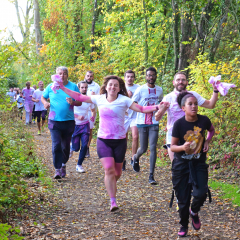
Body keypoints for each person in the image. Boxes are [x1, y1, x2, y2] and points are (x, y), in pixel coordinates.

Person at [57, 75, 169, 211]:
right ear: (106, 86)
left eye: (116, 85)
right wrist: (62, 87)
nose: (113, 87)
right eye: (110, 84)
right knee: (109, 169)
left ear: (119, 88)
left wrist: (158, 106)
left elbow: (142, 109)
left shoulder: (125, 100)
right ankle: (113, 201)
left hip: (120, 141)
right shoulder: (99, 99)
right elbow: (79, 97)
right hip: (103, 140)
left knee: (117, 173)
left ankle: (110, 184)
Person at [170, 92, 215, 237]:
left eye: (195, 103)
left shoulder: (204, 120)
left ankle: (194, 211)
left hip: (198, 163)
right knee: (182, 199)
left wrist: (207, 141)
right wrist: (183, 148)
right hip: (181, 165)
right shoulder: (179, 124)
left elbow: (211, 130)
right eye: (190, 104)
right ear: (183, 108)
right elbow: (172, 147)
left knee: (201, 193)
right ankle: (183, 225)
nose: (194, 106)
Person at [155, 72, 219, 162]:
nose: (180, 82)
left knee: (193, 168)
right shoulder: (168, 97)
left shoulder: (193, 95)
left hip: (192, 136)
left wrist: (215, 90)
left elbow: (211, 105)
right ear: (174, 82)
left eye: (183, 80)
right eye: (178, 80)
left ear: (187, 82)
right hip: (173, 137)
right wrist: (161, 110)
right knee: (177, 167)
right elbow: (157, 118)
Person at [41, 66, 81, 179]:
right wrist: (45, 103)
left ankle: (63, 164)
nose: (62, 76)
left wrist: (73, 102)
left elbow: (80, 102)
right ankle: (57, 169)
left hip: (68, 121)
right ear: (56, 75)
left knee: (65, 147)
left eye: (64, 73)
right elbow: (43, 98)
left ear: (67, 75)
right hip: (54, 121)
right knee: (56, 145)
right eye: (60, 73)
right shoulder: (51, 86)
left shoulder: (73, 86)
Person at [132, 67, 169, 184]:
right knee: (143, 148)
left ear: (156, 76)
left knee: (153, 147)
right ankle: (135, 158)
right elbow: (133, 103)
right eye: (149, 75)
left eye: (153, 75)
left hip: (154, 121)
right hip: (142, 122)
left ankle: (151, 175)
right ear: (146, 76)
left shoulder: (159, 90)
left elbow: (161, 103)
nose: (151, 77)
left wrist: (161, 110)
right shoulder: (140, 90)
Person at [69, 81, 96, 173]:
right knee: (76, 148)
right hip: (75, 125)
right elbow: (69, 111)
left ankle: (79, 165)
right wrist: (77, 116)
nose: (84, 89)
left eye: (86, 87)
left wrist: (92, 115)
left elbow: (93, 110)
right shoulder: (74, 98)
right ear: (79, 88)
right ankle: (72, 147)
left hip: (85, 124)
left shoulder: (89, 99)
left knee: (85, 145)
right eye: (82, 87)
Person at [122, 70, 140, 170]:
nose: (130, 78)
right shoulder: (121, 87)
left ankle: (134, 158)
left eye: (132, 77)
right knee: (124, 138)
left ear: (134, 78)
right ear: (125, 78)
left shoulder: (138, 88)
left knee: (135, 136)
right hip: (124, 116)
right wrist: (127, 96)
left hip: (135, 116)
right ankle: (123, 159)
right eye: (128, 76)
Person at [84, 71, 100, 158]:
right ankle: (79, 145)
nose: (89, 77)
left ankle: (87, 148)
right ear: (85, 76)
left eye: (91, 76)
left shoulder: (96, 86)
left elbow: (102, 96)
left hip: (92, 111)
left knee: (89, 130)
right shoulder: (80, 84)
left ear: (93, 77)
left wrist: (96, 95)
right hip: (81, 110)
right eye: (88, 76)